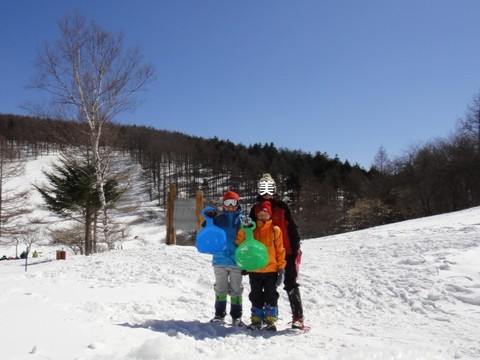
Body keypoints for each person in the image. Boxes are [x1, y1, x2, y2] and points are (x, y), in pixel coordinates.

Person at [249, 173, 305, 329]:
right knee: (266, 288)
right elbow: (250, 232)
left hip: (286, 251)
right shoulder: (255, 209)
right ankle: (264, 316)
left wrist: (296, 248)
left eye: (269, 188)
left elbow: (292, 227)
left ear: (274, 189)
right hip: (264, 256)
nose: (266, 192)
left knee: (290, 283)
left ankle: (297, 317)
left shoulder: (282, 206)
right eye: (263, 188)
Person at [237, 200, 286, 331]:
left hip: (271, 269)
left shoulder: (275, 230)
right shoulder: (252, 229)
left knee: (271, 294)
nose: (263, 216)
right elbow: (240, 243)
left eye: (265, 213)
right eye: (260, 213)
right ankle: (257, 319)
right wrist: (244, 229)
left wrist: (281, 267)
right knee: (255, 294)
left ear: (270, 214)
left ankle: (270, 319)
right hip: (255, 269)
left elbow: (280, 249)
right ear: (256, 215)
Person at [205, 190, 244, 326]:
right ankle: (219, 314)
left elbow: (248, 236)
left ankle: (236, 316)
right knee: (220, 288)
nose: (230, 206)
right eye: (227, 203)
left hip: (236, 260)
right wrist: (209, 219)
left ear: (238, 204)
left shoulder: (242, 220)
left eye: (233, 203)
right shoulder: (219, 219)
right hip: (220, 259)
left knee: (236, 289)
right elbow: (207, 228)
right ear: (223, 204)